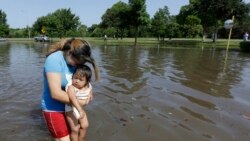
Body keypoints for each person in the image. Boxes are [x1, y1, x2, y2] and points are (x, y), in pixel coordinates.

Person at [41, 38, 100, 141]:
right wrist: (80, 102)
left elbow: (82, 76)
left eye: (80, 63)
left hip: (69, 108)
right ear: (69, 53)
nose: (77, 65)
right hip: (54, 108)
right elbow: (56, 94)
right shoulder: (54, 60)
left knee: (79, 130)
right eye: (77, 62)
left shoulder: (75, 61)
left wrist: (89, 89)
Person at [65, 65, 92, 141]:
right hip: (70, 110)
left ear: (86, 81)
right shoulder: (71, 87)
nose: (77, 81)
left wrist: (90, 94)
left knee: (85, 125)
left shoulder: (87, 86)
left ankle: (81, 138)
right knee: (75, 129)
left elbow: (90, 88)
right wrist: (80, 110)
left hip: (80, 108)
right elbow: (73, 99)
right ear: (72, 76)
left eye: (81, 79)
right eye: (75, 77)